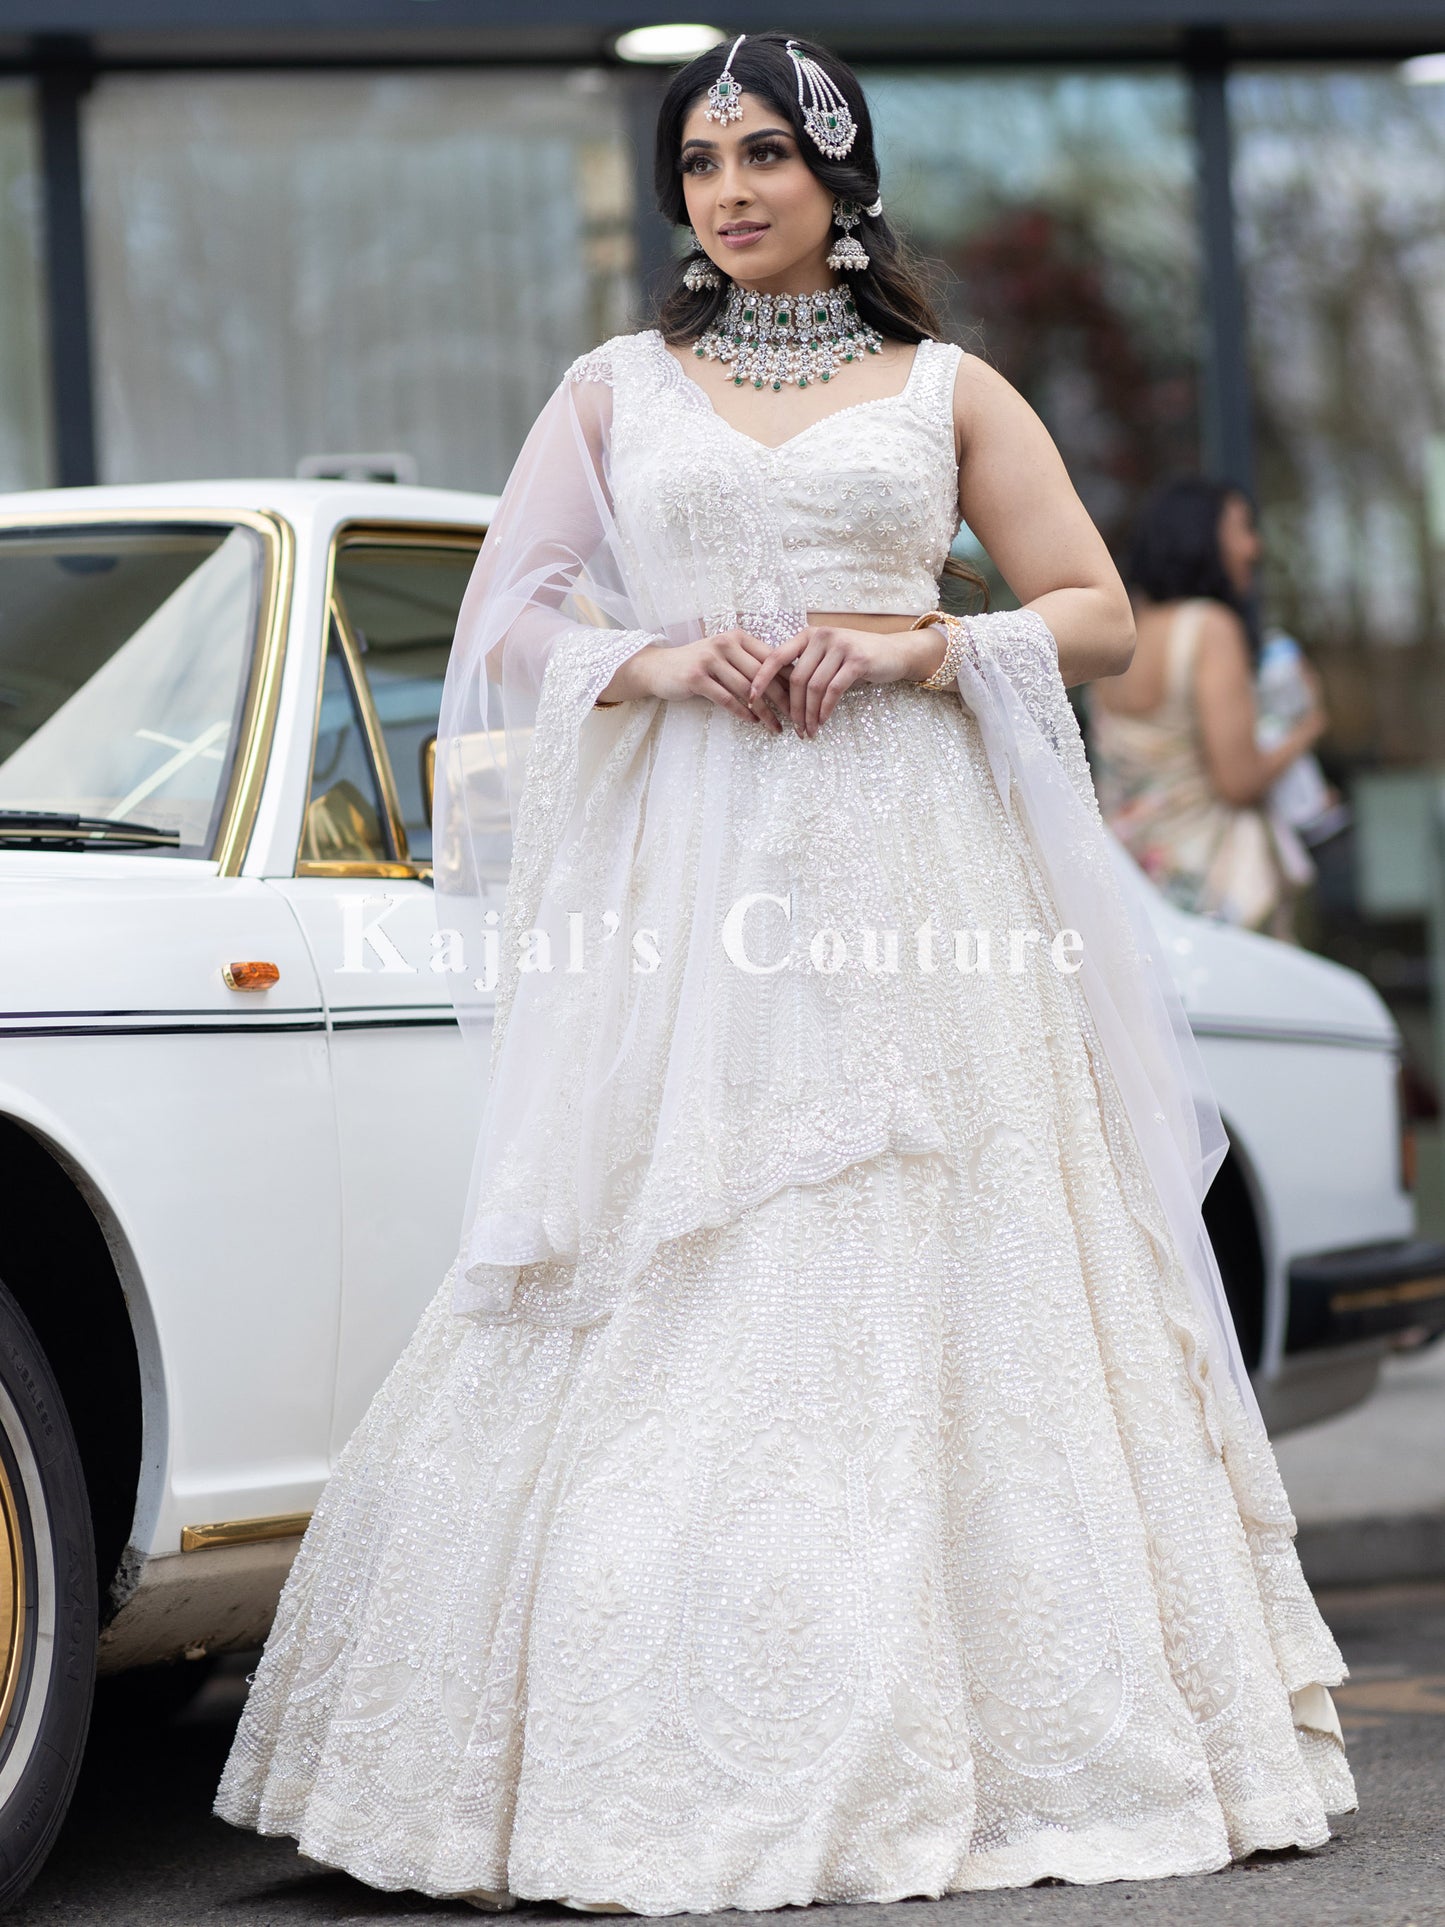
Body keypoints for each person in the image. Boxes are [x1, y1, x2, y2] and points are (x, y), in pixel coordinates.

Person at [214, 32, 1355, 1911]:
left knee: (935, 1242)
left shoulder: (946, 387)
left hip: (916, 868)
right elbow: (506, 617)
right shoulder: (610, 392)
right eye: (699, 161)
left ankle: (983, 1714)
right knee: (669, 1244)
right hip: (690, 884)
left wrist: (918, 643)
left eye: (762, 154)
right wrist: (666, 663)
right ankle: (635, 1725)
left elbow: (1102, 617)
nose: (728, 191)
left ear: (841, 172)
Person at [1087, 477, 1331, 942]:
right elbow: (1237, 782)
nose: (1253, 547)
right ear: (1202, 538)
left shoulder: (1120, 636)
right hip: (1212, 891)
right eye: (1241, 528)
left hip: (1135, 889)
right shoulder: (1210, 627)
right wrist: (1308, 728)